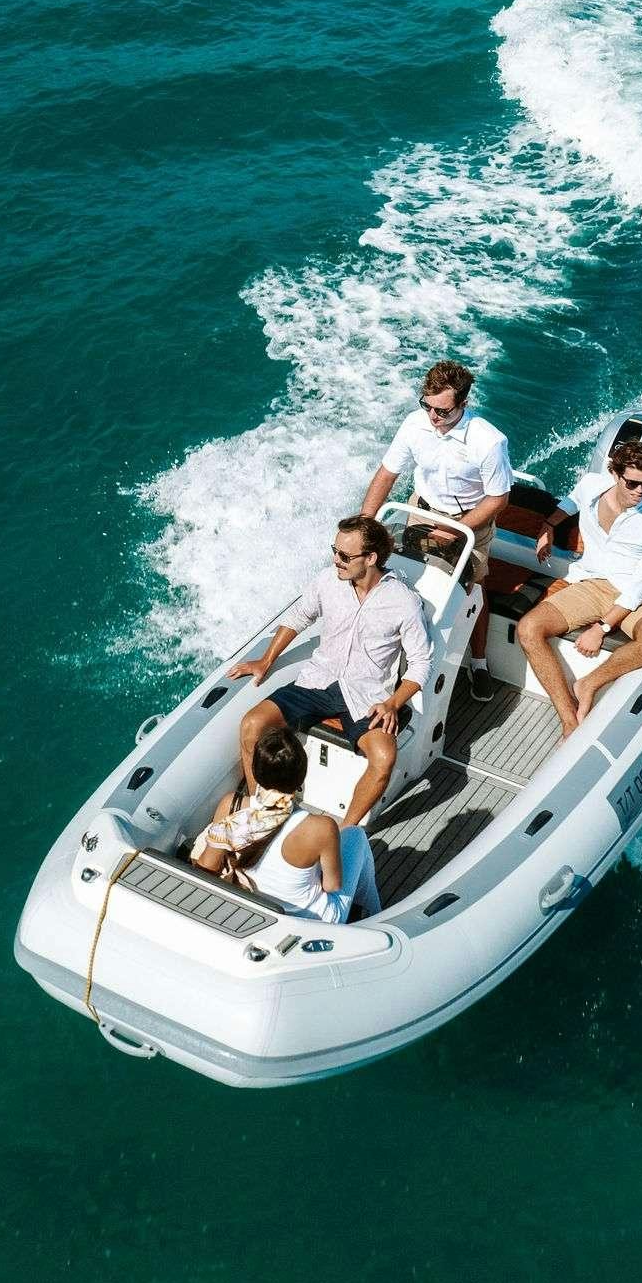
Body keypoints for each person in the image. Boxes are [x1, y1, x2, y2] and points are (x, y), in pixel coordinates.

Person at [229, 514, 432, 841]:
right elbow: (299, 616)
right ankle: (261, 812)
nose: (336, 560)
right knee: (252, 725)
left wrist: (393, 703)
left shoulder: (403, 602)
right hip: (317, 682)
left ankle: (344, 831)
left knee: (384, 757)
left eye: (344, 556)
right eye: (334, 551)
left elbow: (422, 662)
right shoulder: (327, 581)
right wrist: (266, 660)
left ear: (371, 559)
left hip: (365, 697)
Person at [360, 359, 511, 701]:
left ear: (463, 404)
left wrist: (456, 530)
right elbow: (387, 475)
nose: (434, 417)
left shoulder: (488, 441)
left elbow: (498, 499)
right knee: (405, 582)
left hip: (470, 519)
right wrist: (365, 524)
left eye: (442, 410)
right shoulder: (415, 425)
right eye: (427, 406)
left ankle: (479, 661)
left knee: (473, 588)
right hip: (421, 511)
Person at [516, 440, 642, 736]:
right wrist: (548, 527)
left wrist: (601, 628)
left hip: (637, 596)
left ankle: (589, 683)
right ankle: (568, 719)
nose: (640, 491)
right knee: (528, 629)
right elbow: (569, 503)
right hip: (590, 584)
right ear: (615, 474)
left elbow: (639, 587)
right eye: (632, 483)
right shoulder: (592, 485)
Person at [190, 727, 380, 922]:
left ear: (256, 771)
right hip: (311, 921)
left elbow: (208, 866)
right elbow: (332, 886)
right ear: (302, 776)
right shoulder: (321, 827)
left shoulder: (231, 805)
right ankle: (378, 917)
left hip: (255, 908)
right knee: (356, 835)